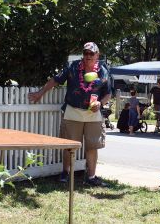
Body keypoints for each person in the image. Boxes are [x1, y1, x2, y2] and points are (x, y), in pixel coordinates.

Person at [28, 42, 111, 187]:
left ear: (97, 55)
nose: (88, 56)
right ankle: (65, 173)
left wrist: (101, 103)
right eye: (85, 53)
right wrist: (40, 93)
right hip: (73, 111)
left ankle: (91, 177)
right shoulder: (73, 67)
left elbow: (108, 93)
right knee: (69, 145)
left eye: (91, 54)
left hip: (93, 114)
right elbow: (56, 79)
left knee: (92, 146)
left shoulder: (103, 70)